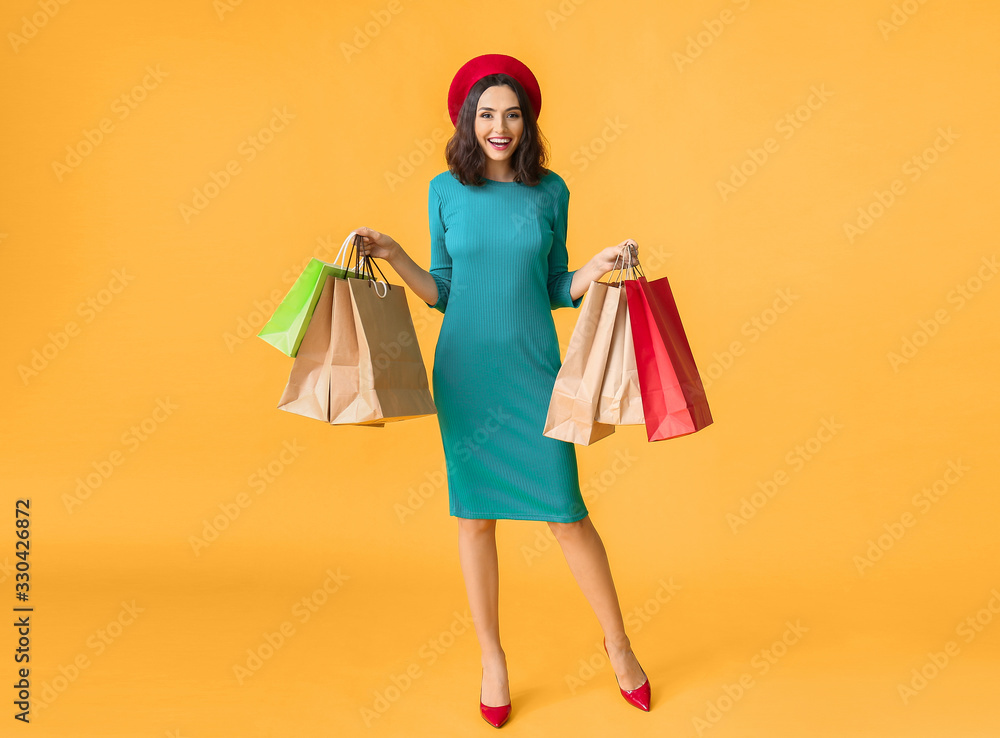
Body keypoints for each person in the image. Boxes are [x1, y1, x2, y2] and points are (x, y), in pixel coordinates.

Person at [355, 53, 649, 727]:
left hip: (532, 371)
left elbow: (552, 286)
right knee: (475, 518)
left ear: (527, 123)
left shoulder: (551, 192)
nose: (499, 127)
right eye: (486, 114)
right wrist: (396, 255)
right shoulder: (445, 191)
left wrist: (595, 267)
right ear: (467, 120)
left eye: (511, 115)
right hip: (466, 374)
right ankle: (492, 659)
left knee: (566, 515)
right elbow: (444, 291)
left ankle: (620, 646)